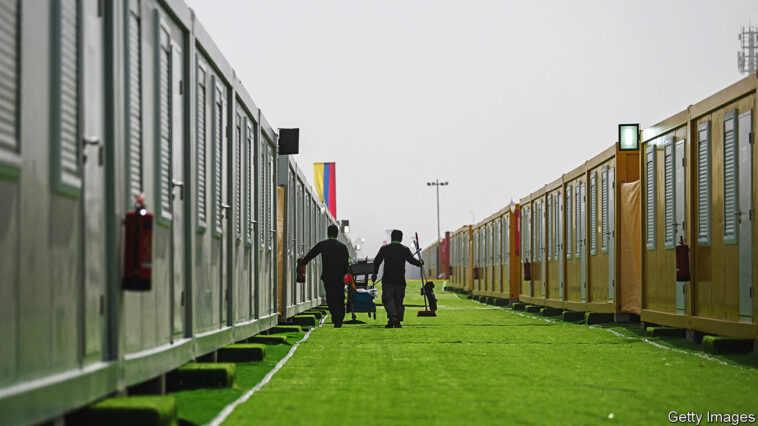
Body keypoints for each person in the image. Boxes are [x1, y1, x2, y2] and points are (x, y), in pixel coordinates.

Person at [298, 224, 350, 328]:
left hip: (328, 277)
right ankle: (340, 318)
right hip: (339, 278)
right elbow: (346, 263)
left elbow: (312, 254)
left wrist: (302, 262)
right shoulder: (343, 247)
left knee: (331, 298)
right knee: (340, 298)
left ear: (328, 233)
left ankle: (335, 318)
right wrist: (345, 275)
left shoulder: (323, 245)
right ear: (337, 234)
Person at [371, 230, 423, 328]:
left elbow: (377, 261)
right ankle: (397, 320)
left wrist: (375, 273)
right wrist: (419, 263)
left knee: (388, 299)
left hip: (388, 279)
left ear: (391, 237)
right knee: (398, 301)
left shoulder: (385, 249)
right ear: (401, 238)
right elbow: (411, 260)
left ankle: (392, 318)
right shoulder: (404, 249)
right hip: (400, 280)